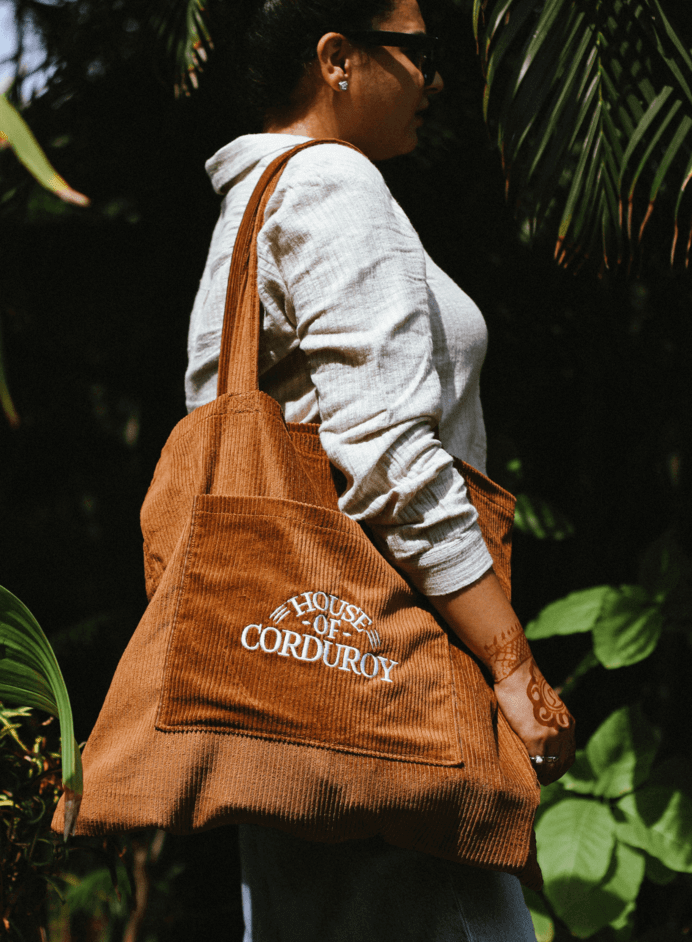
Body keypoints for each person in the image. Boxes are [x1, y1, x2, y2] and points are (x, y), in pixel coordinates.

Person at [185, 0, 576, 938]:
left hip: (286, 685)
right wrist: (511, 664)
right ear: (337, 60)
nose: (434, 78)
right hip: (381, 683)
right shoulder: (331, 185)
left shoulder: (248, 209)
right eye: (419, 52)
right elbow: (392, 459)